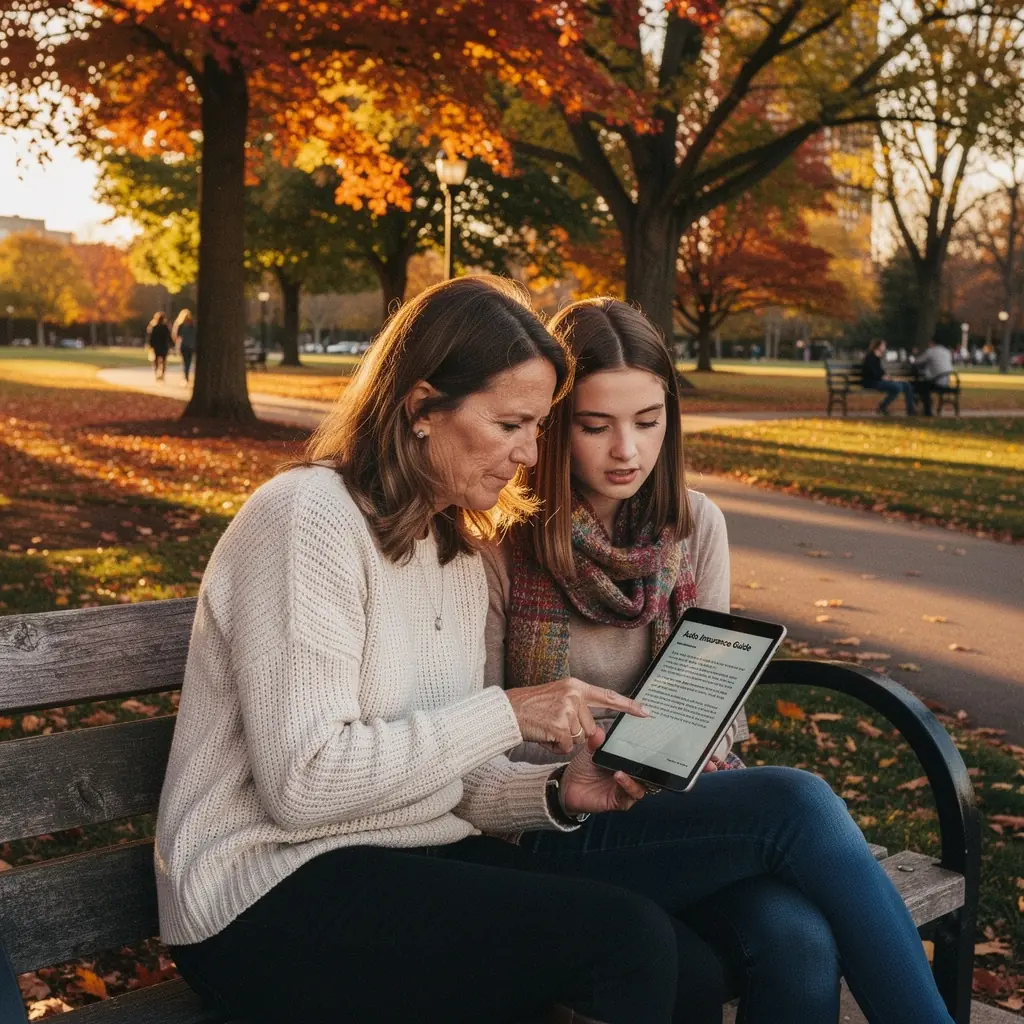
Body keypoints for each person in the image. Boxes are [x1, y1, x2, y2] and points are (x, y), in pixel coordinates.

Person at [155, 276, 705, 1024]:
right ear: (420, 408)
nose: (529, 453)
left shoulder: (453, 552)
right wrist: (508, 714)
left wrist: (555, 794)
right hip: (264, 893)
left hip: (406, 859)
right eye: (512, 423)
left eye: (539, 426)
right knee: (627, 942)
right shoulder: (305, 520)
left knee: (694, 966)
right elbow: (304, 783)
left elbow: (450, 777)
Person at [483, 298, 957, 1024]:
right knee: (797, 802)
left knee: (798, 941)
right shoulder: (500, 542)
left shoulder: (695, 523)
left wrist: (681, 751)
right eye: (595, 425)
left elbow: (716, 705)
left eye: (647, 421)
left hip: (672, 808)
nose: (626, 451)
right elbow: (480, 736)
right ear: (551, 427)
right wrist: (587, 758)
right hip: (546, 825)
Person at [861, 338, 915, 416]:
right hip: (872, 382)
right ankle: (882, 406)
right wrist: (886, 378)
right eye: (883, 345)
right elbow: (873, 374)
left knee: (907, 385)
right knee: (897, 388)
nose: (885, 347)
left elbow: (881, 372)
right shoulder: (870, 357)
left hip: (879, 380)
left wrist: (890, 378)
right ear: (878, 346)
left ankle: (910, 410)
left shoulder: (878, 357)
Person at [913, 338, 954, 417]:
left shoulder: (931, 351)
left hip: (937, 381)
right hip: (946, 381)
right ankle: (926, 406)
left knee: (920, 387)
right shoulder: (947, 352)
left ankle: (926, 409)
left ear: (932, 343)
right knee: (924, 385)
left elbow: (917, 361)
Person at [172, 309, 196, 385]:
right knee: (188, 362)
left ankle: (186, 377)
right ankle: (186, 376)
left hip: (185, 345)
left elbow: (176, 336)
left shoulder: (181, 325)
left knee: (186, 362)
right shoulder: (192, 324)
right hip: (190, 345)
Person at [147, 311, 173, 381]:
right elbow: (169, 337)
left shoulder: (154, 327)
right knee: (164, 361)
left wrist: (151, 345)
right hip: (164, 346)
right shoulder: (165, 327)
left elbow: (151, 338)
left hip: (157, 346)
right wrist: (172, 344)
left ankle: (156, 373)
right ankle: (162, 375)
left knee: (156, 361)